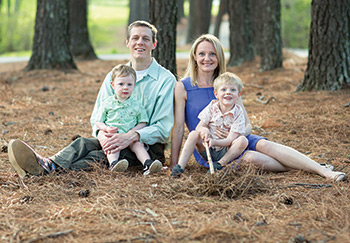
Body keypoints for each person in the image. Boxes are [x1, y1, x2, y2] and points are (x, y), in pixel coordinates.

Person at [8, 20, 176, 178]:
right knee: (83, 143)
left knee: (97, 156)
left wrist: (130, 136)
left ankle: (44, 171)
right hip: (112, 138)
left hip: (145, 148)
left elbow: (162, 128)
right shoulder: (114, 75)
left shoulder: (165, 80)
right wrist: (101, 135)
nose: (140, 42)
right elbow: (97, 116)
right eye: (135, 38)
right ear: (127, 42)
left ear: (154, 44)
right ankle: (48, 163)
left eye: (146, 39)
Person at [170, 34, 346, 181]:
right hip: (212, 149)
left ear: (219, 57)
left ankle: (324, 171)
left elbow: (247, 126)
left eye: (212, 54)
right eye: (201, 54)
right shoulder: (183, 86)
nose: (207, 59)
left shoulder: (226, 84)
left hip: (238, 139)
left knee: (265, 145)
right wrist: (173, 163)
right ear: (194, 56)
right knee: (250, 158)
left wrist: (235, 136)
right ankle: (309, 167)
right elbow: (178, 129)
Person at [171, 72, 247, 176]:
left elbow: (230, 140)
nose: (228, 92)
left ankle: (219, 165)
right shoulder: (212, 106)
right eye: (223, 90)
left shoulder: (238, 113)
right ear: (216, 94)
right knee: (194, 133)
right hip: (207, 147)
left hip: (225, 151)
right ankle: (179, 167)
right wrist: (204, 130)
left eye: (232, 90)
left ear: (239, 95)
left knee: (243, 140)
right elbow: (199, 126)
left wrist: (214, 142)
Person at [94, 64, 162, 174]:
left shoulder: (137, 105)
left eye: (129, 84)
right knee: (110, 143)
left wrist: (132, 132)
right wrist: (106, 128)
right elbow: (98, 121)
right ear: (113, 85)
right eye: (121, 84)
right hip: (112, 133)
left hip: (129, 136)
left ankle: (147, 164)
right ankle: (114, 163)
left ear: (134, 85)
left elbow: (143, 122)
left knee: (138, 145)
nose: (125, 87)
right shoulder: (107, 103)